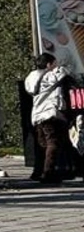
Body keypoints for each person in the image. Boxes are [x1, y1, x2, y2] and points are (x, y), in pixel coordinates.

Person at [24, 52, 73, 184]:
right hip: (50, 112)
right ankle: (48, 173)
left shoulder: (31, 77)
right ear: (48, 64)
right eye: (54, 63)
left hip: (37, 114)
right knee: (53, 143)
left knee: (42, 145)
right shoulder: (51, 75)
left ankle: (38, 171)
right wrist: (62, 66)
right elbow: (63, 73)